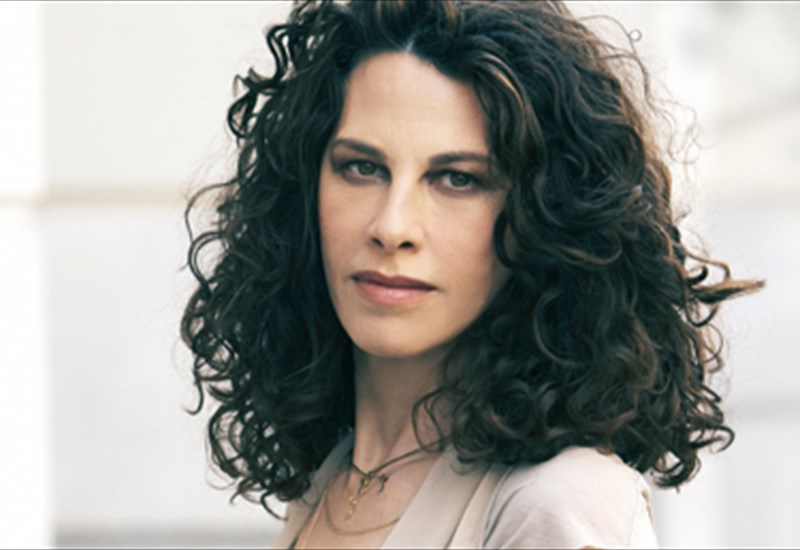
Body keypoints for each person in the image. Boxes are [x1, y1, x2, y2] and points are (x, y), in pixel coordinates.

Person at [181, 1, 762, 548]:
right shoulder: (335, 476)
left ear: (544, 219)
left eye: (458, 179)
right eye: (362, 167)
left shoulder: (555, 502)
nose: (392, 226)